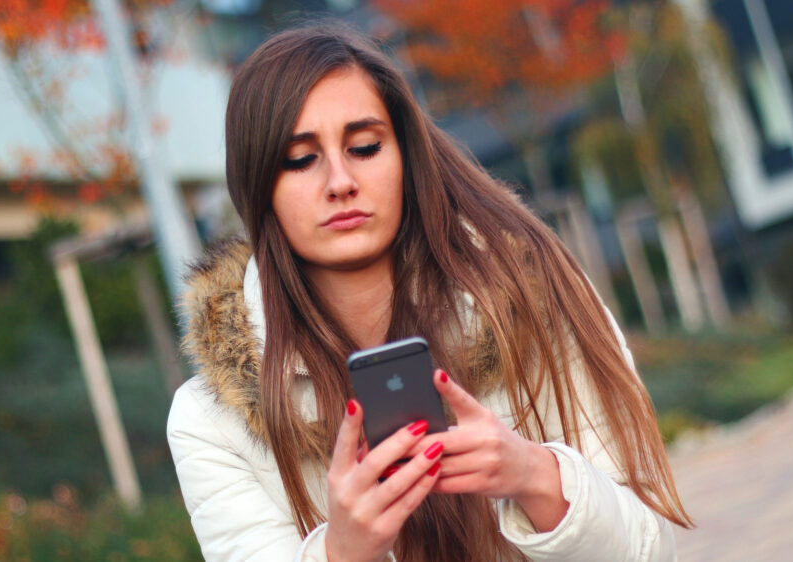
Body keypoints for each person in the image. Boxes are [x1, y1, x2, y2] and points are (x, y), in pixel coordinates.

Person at [168, 23, 692, 562]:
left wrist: (537, 477)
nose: (340, 180)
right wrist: (343, 551)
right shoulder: (210, 423)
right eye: (301, 159)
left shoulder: (536, 299)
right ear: (257, 185)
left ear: (404, 155)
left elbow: (650, 551)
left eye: (365, 146)